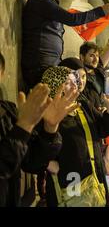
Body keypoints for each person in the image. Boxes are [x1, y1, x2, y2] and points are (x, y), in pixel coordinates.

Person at [21, 0, 109, 91]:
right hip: (40, 66)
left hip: (48, 65)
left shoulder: (46, 2)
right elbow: (72, 19)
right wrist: (100, 11)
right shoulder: (41, 1)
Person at [40, 62, 109, 207]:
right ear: (54, 87)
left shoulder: (82, 106)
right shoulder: (47, 113)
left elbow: (106, 129)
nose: (75, 85)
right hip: (72, 182)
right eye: (67, 82)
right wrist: (47, 163)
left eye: (74, 81)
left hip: (95, 179)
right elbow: (32, 150)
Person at [0, 52, 75, 207]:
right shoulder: (23, 117)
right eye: (68, 81)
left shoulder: (7, 111)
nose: (74, 85)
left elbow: (32, 162)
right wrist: (24, 127)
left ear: (1, 74)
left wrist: (50, 128)